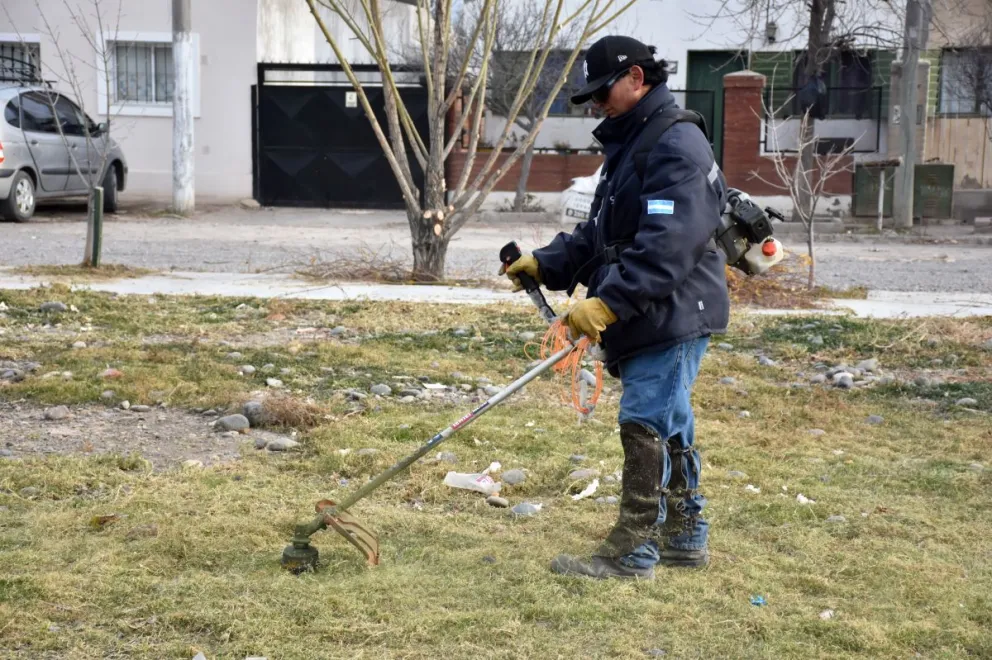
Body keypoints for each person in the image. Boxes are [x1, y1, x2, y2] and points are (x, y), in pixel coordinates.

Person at [503, 35, 730, 579]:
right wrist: (546, 262)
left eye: (602, 90)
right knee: (671, 423)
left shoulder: (675, 143)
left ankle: (633, 550)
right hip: (656, 309)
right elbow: (604, 233)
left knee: (645, 421)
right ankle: (685, 534)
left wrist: (607, 304)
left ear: (637, 77)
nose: (597, 103)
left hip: (673, 310)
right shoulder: (635, 142)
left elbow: (669, 242)